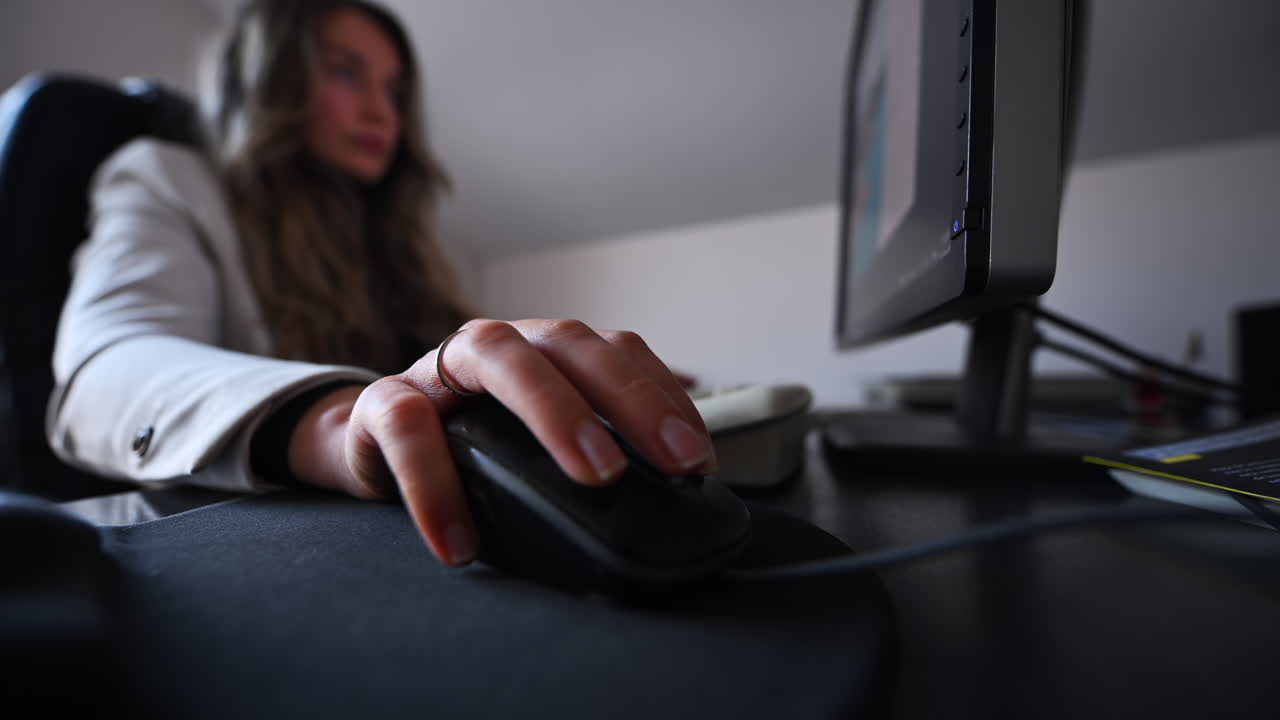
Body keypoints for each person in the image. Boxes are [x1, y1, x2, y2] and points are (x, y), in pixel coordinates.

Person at [46, 0, 716, 567]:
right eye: (346, 73)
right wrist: (339, 419)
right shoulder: (165, 177)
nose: (381, 111)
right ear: (272, 80)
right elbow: (108, 364)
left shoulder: (387, 233)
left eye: (395, 90)